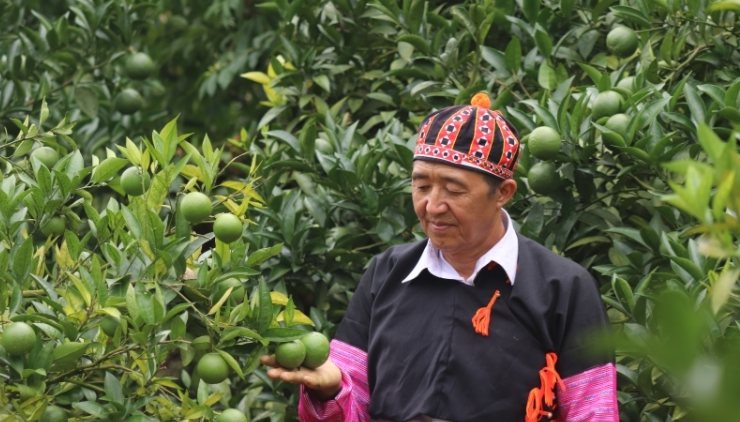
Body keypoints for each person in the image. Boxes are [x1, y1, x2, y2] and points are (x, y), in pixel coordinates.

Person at [261, 93, 619, 422]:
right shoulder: (387, 273)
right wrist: (330, 390)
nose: (432, 206)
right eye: (421, 185)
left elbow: (593, 411)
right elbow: (350, 400)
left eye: (453, 189)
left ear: (503, 193)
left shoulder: (562, 288)